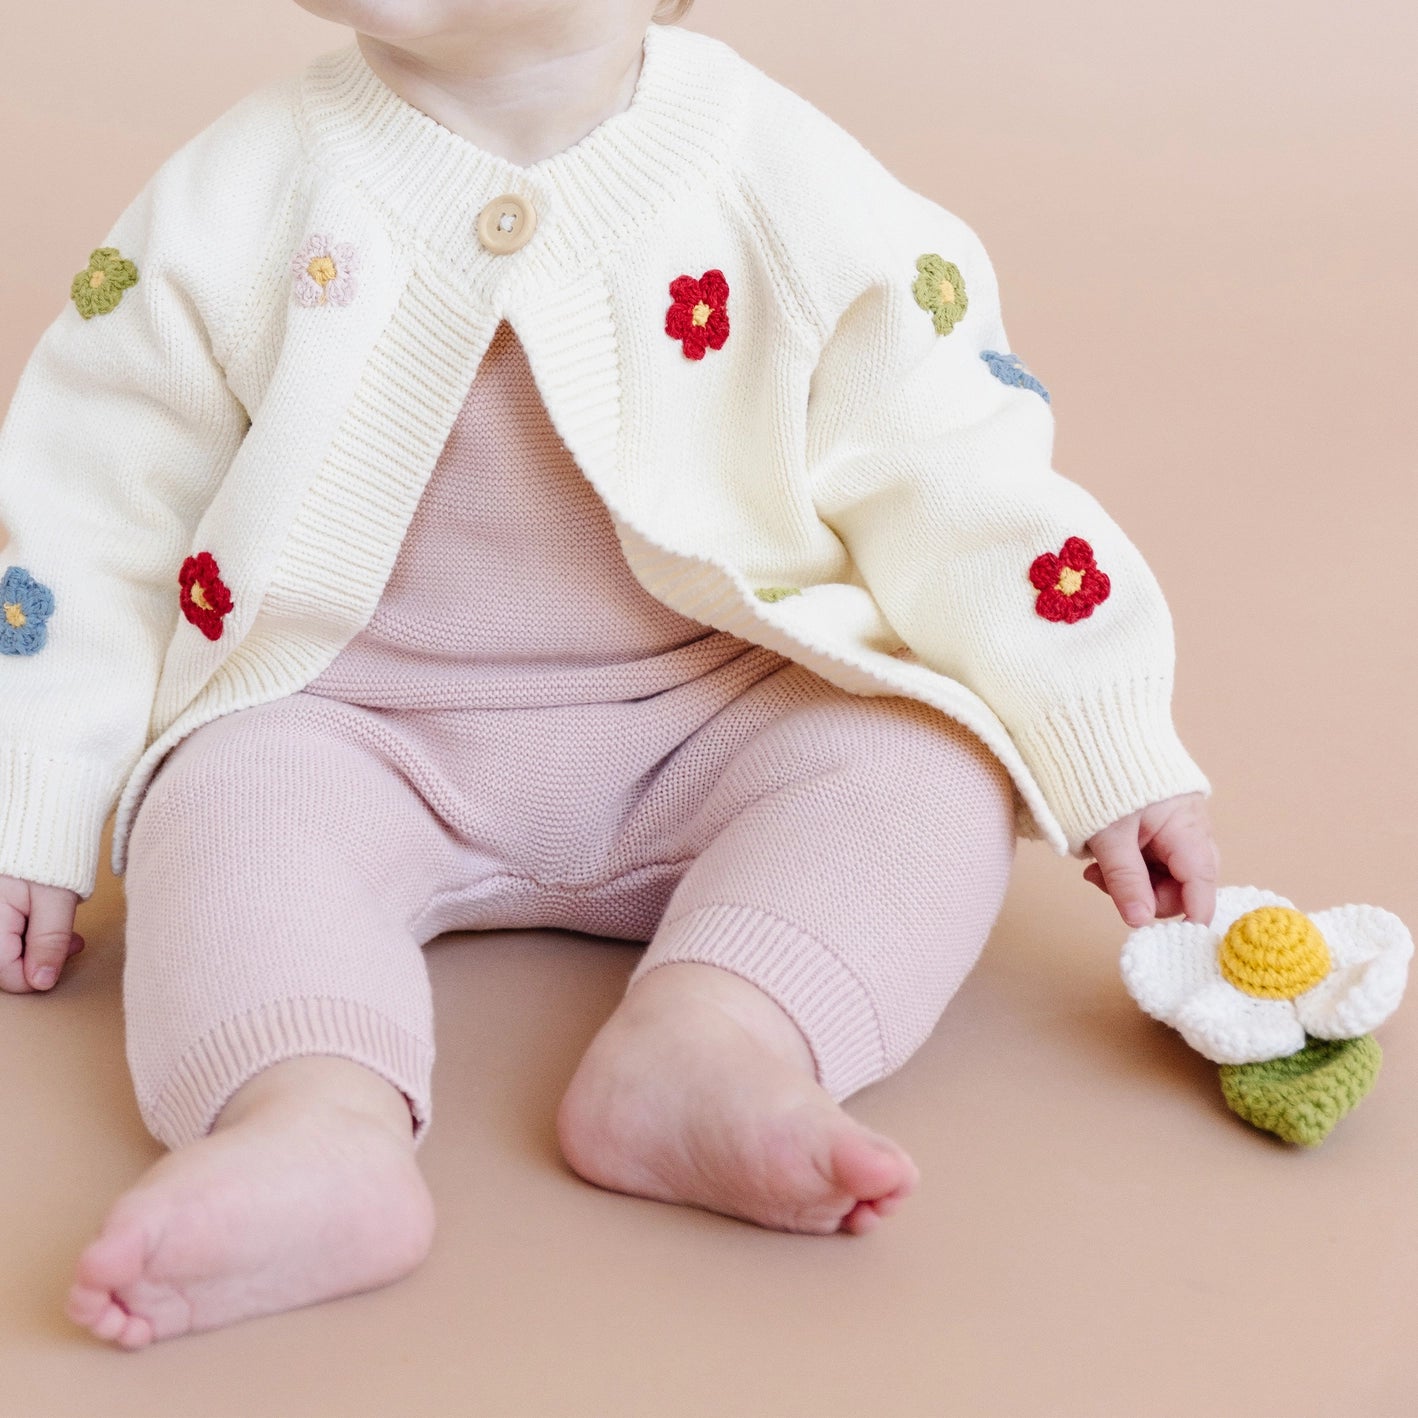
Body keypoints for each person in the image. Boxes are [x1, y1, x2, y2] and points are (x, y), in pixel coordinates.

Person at [0, 0, 1218, 1350]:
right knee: (216, 809)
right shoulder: (234, 194)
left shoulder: (788, 178)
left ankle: (718, 1037)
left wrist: (1100, 735)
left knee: (927, 767)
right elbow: (95, 506)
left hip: (722, 708)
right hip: (339, 720)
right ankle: (308, 1121)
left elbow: (957, 468)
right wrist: (39, 791)